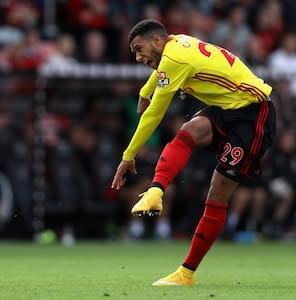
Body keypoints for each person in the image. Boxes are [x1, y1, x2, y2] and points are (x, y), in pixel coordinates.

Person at [111, 19, 276, 286]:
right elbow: (163, 71)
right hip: (227, 107)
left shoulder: (175, 59)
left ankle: (186, 273)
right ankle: (155, 190)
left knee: (217, 192)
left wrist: (128, 156)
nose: (139, 58)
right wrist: (145, 90)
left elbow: (154, 114)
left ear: (156, 41)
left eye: (139, 49)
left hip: (254, 114)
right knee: (188, 130)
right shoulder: (177, 43)